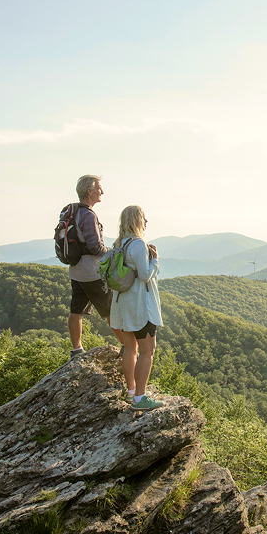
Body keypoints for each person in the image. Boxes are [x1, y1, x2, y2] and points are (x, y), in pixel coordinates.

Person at [110, 205, 163, 411]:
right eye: (144, 218)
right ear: (136, 220)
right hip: (140, 305)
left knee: (130, 348)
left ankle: (131, 391)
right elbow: (144, 274)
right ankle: (141, 398)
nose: (146, 222)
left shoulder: (119, 244)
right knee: (148, 351)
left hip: (123, 304)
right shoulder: (139, 245)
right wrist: (156, 261)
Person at [68, 175, 124, 357]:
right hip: (92, 273)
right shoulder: (88, 215)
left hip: (76, 270)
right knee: (111, 311)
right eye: (99, 188)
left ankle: (76, 349)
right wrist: (114, 252)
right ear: (90, 191)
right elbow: (95, 247)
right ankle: (128, 346)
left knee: (76, 310)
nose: (102, 192)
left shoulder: (72, 211)